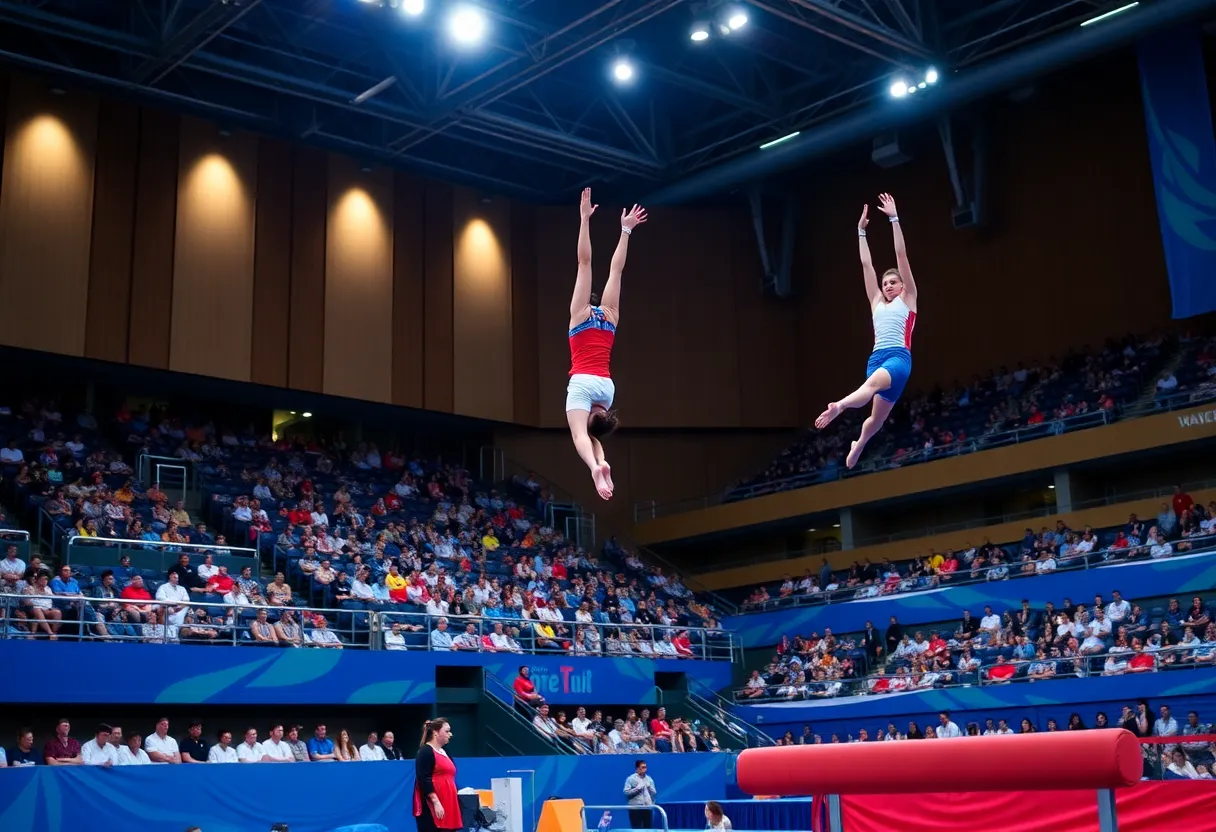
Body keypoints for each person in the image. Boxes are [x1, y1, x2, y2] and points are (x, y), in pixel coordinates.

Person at [814, 193, 918, 468]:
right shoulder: (875, 301)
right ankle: (859, 443)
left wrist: (894, 219)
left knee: (869, 388)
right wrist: (861, 232)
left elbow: (901, 254)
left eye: (893, 282)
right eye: (885, 283)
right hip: (876, 359)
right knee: (876, 420)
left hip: (898, 359)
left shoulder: (909, 298)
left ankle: (839, 406)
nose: (888, 286)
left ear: (903, 285)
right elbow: (866, 265)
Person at [566, 188, 647, 500]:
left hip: (605, 387)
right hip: (586, 379)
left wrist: (625, 230)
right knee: (579, 435)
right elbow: (585, 262)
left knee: (614, 272)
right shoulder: (583, 314)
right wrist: (585, 220)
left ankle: (600, 463)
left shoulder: (610, 315)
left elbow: (613, 268)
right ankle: (594, 467)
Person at [415, 718, 462, 832]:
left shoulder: (445, 751)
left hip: (449, 803)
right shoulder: (425, 751)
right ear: (435, 732)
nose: (450, 734)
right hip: (434, 805)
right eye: (447, 731)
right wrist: (435, 802)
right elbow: (423, 778)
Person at [623, 758, 657, 829]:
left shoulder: (649, 779)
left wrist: (649, 787)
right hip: (635, 808)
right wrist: (637, 788)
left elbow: (654, 793)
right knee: (636, 828)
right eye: (643, 767)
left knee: (648, 828)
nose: (645, 769)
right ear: (637, 768)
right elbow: (626, 792)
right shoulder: (631, 779)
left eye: (646, 767)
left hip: (647, 807)